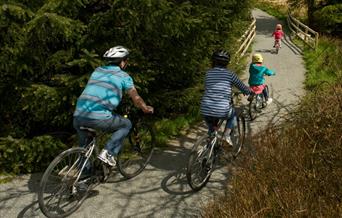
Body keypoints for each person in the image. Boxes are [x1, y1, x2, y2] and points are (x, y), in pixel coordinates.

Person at [73, 46, 154, 167]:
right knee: (126, 124)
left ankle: (82, 180)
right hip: (98, 117)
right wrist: (145, 108)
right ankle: (109, 153)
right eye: (126, 60)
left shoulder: (97, 71)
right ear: (122, 62)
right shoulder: (124, 77)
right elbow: (136, 99)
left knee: (85, 148)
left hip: (79, 115)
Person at [200, 50, 253, 147]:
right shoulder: (230, 74)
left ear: (213, 61)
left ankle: (209, 147)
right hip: (221, 109)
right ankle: (226, 136)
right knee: (233, 115)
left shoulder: (208, 73)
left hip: (205, 108)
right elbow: (241, 86)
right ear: (227, 62)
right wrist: (249, 91)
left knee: (212, 128)